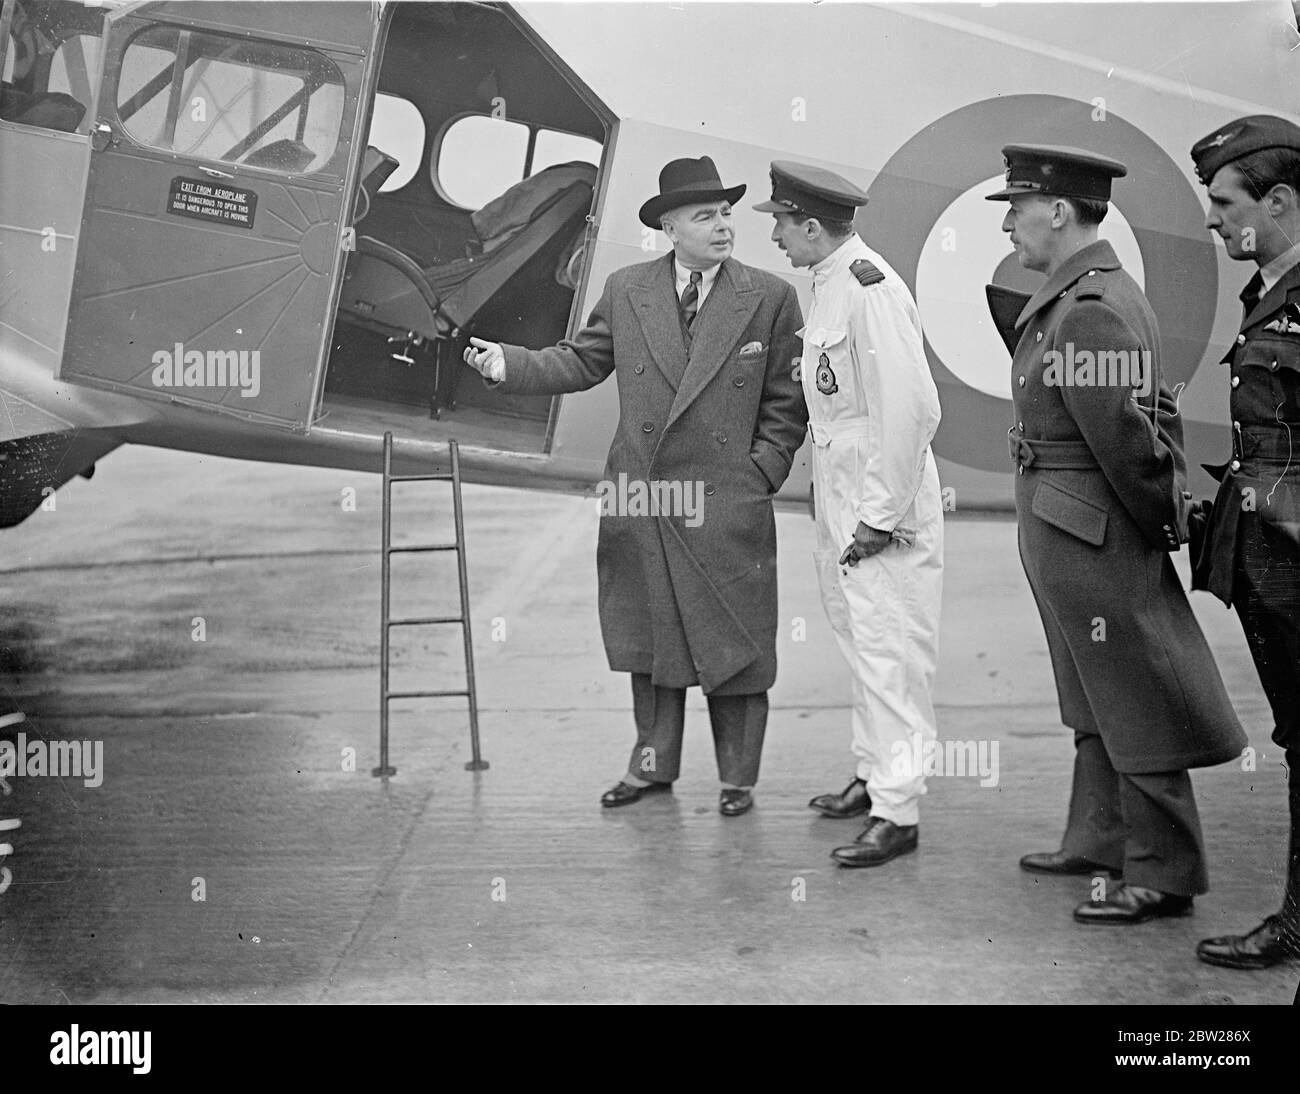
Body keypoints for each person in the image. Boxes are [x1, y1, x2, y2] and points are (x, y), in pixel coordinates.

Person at [462, 156, 807, 816]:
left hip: (723, 499)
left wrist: (758, 471)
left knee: (733, 641)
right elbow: (581, 360)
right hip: (643, 495)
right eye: (705, 216)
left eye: (728, 213)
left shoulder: (769, 297)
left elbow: (788, 400)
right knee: (651, 645)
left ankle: (738, 780)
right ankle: (652, 768)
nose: (723, 226)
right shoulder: (627, 290)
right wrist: (509, 363)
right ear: (670, 227)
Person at [986, 144, 1246, 924]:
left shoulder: (1092, 309)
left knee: (1135, 697)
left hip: (1092, 534)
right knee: (1094, 693)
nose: (1008, 226)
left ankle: (1165, 874)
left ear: (1059, 212)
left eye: (1017, 208)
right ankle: (1098, 839)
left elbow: (1129, 444)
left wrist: (1155, 525)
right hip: (1071, 531)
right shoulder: (1078, 296)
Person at [757, 162, 943, 868]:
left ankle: (899, 810)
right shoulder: (832, 283)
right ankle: (873, 775)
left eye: (780, 222)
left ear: (811, 226)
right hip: (843, 495)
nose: (773, 234)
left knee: (890, 650)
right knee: (861, 641)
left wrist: (879, 516)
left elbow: (910, 411)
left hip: (879, 503)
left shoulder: (871, 291)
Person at [1188, 116, 1300, 968]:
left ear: (1281, 200)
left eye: (1226, 203)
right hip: (1273, 567)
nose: (1215, 220)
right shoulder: (1269, 289)